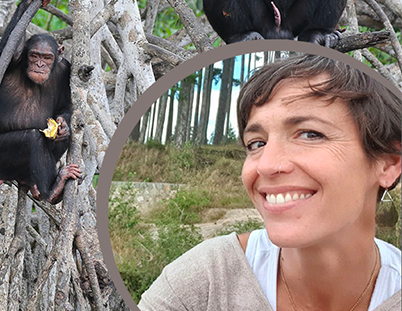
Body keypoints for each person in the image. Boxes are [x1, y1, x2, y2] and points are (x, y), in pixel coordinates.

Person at [138, 55, 401, 311]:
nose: (265, 165)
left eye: (310, 134)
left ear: (388, 164)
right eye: (257, 143)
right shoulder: (203, 281)